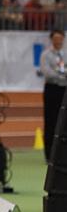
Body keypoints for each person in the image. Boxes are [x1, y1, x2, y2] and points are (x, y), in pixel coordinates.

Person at [40, 29, 67, 161]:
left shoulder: (66, 54)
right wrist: (61, 76)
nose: (58, 41)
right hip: (52, 89)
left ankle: (62, 154)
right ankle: (49, 154)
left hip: (64, 89)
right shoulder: (46, 54)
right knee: (51, 121)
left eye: (60, 38)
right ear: (52, 39)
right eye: (56, 38)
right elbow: (47, 72)